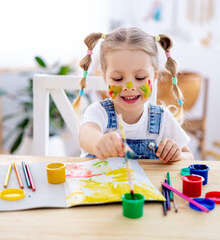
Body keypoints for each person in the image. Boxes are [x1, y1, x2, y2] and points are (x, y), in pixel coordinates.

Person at [72, 27, 193, 162]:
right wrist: (99, 142)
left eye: (140, 77)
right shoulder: (99, 112)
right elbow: (85, 135)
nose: (129, 87)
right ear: (105, 78)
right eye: (118, 78)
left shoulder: (162, 118)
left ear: (154, 76)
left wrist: (177, 155)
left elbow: (189, 156)